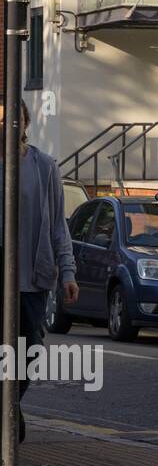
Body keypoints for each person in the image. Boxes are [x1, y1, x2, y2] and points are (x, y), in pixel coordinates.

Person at [0, 99, 78, 442]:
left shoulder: (44, 166)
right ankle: (6, 420)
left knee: (28, 352)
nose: (6, 125)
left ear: (24, 121)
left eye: (12, 118)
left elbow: (58, 225)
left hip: (32, 278)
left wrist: (68, 272)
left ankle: (10, 406)